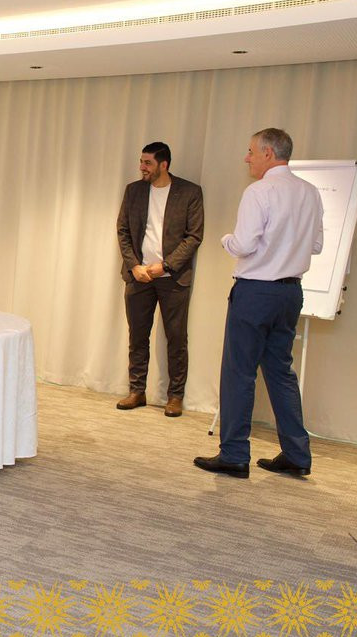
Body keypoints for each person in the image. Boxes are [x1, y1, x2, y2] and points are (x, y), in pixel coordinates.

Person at [195, 128, 324, 479]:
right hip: (290, 294)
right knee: (281, 372)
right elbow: (316, 246)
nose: (247, 158)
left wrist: (226, 239)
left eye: (251, 151)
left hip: (255, 293)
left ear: (268, 153)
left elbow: (244, 244)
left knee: (239, 372)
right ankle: (297, 454)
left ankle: (234, 454)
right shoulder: (310, 192)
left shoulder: (259, 191)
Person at [115, 142, 204, 417]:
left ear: (163, 165)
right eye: (141, 161)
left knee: (176, 338)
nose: (142, 167)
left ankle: (175, 396)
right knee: (137, 335)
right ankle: (136, 390)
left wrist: (164, 266)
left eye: (148, 163)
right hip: (138, 276)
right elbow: (122, 230)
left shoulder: (189, 192)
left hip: (173, 278)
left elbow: (194, 236)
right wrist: (134, 266)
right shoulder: (134, 191)